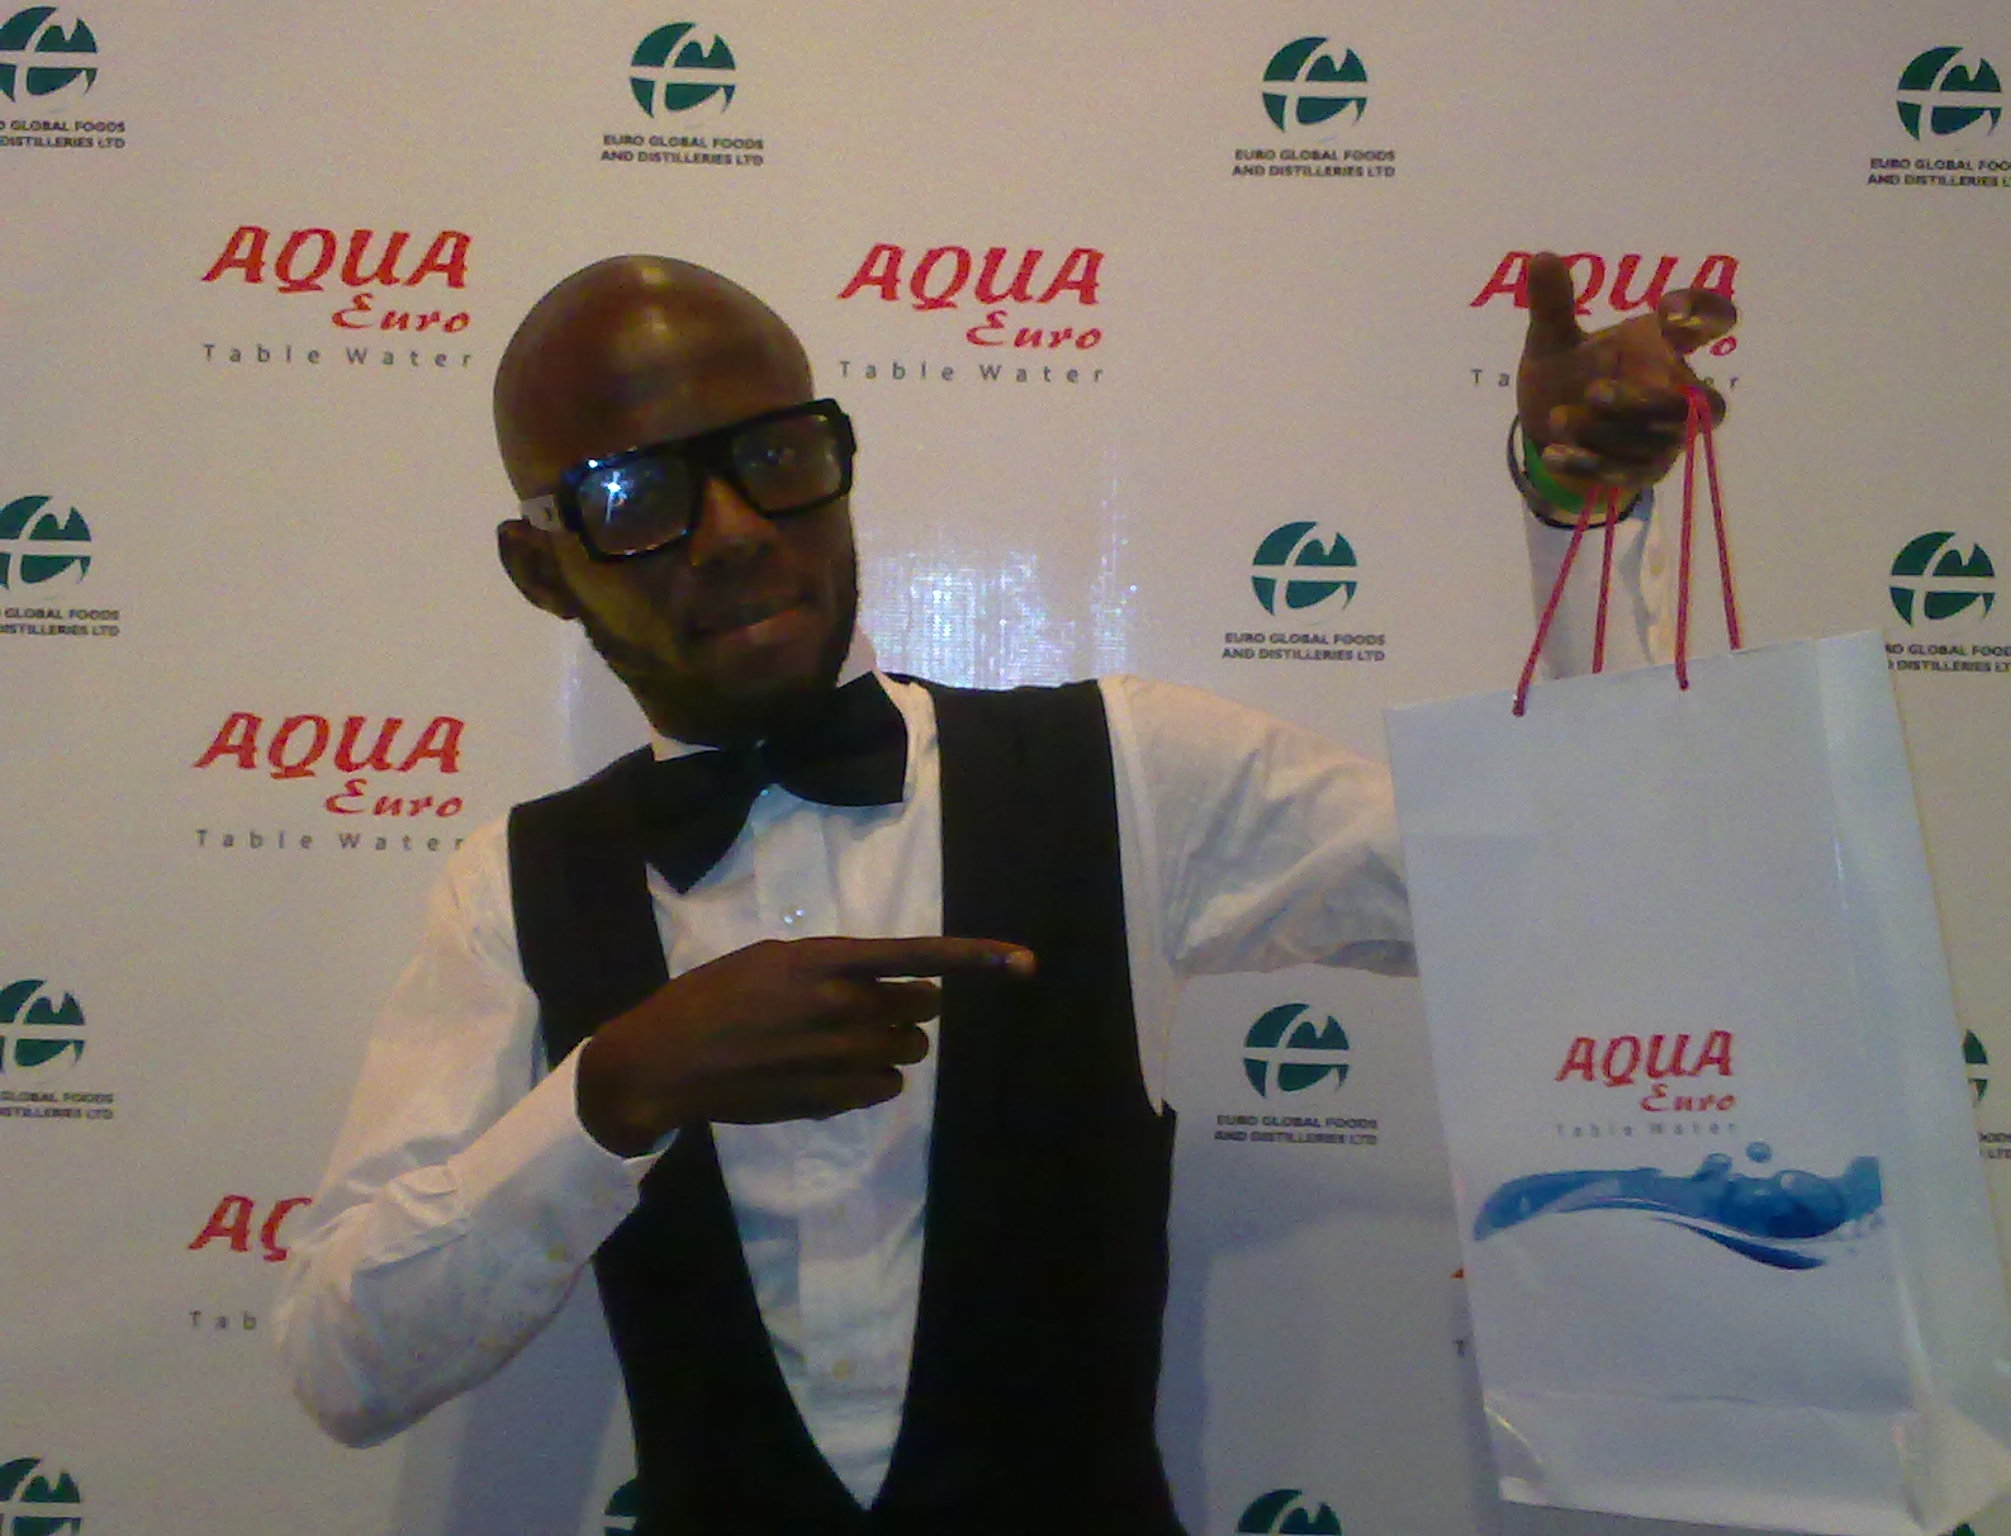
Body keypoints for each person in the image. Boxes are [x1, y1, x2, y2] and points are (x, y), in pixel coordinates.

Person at [275, 251, 1733, 1535]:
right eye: (634, 493)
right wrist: (613, 1093)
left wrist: (1585, 522)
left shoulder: (1128, 768)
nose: (733, 527)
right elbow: (345, 1365)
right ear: (541, 569)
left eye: (774, 453)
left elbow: (1570, 896)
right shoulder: (510, 891)